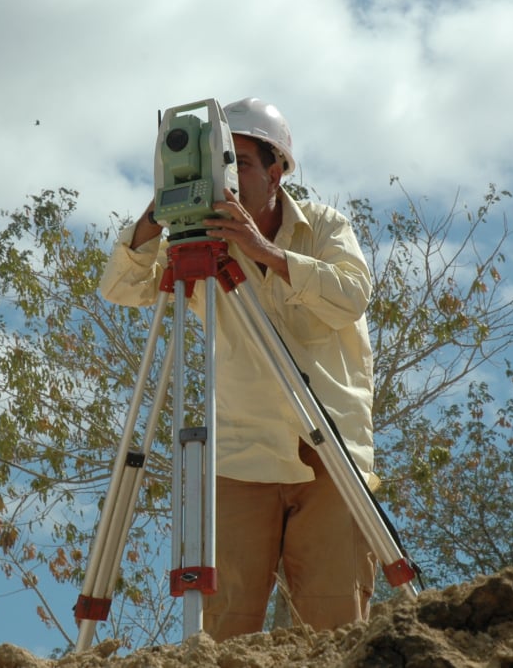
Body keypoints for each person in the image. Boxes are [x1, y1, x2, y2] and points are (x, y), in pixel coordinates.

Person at [98, 97, 376, 639]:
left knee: (335, 629)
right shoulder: (196, 242)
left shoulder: (323, 227)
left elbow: (351, 296)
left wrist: (263, 251)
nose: (229, 178)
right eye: (221, 164)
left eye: (241, 164)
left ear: (277, 171)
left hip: (332, 457)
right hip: (241, 457)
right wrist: (157, 216)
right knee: (225, 633)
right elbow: (120, 287)